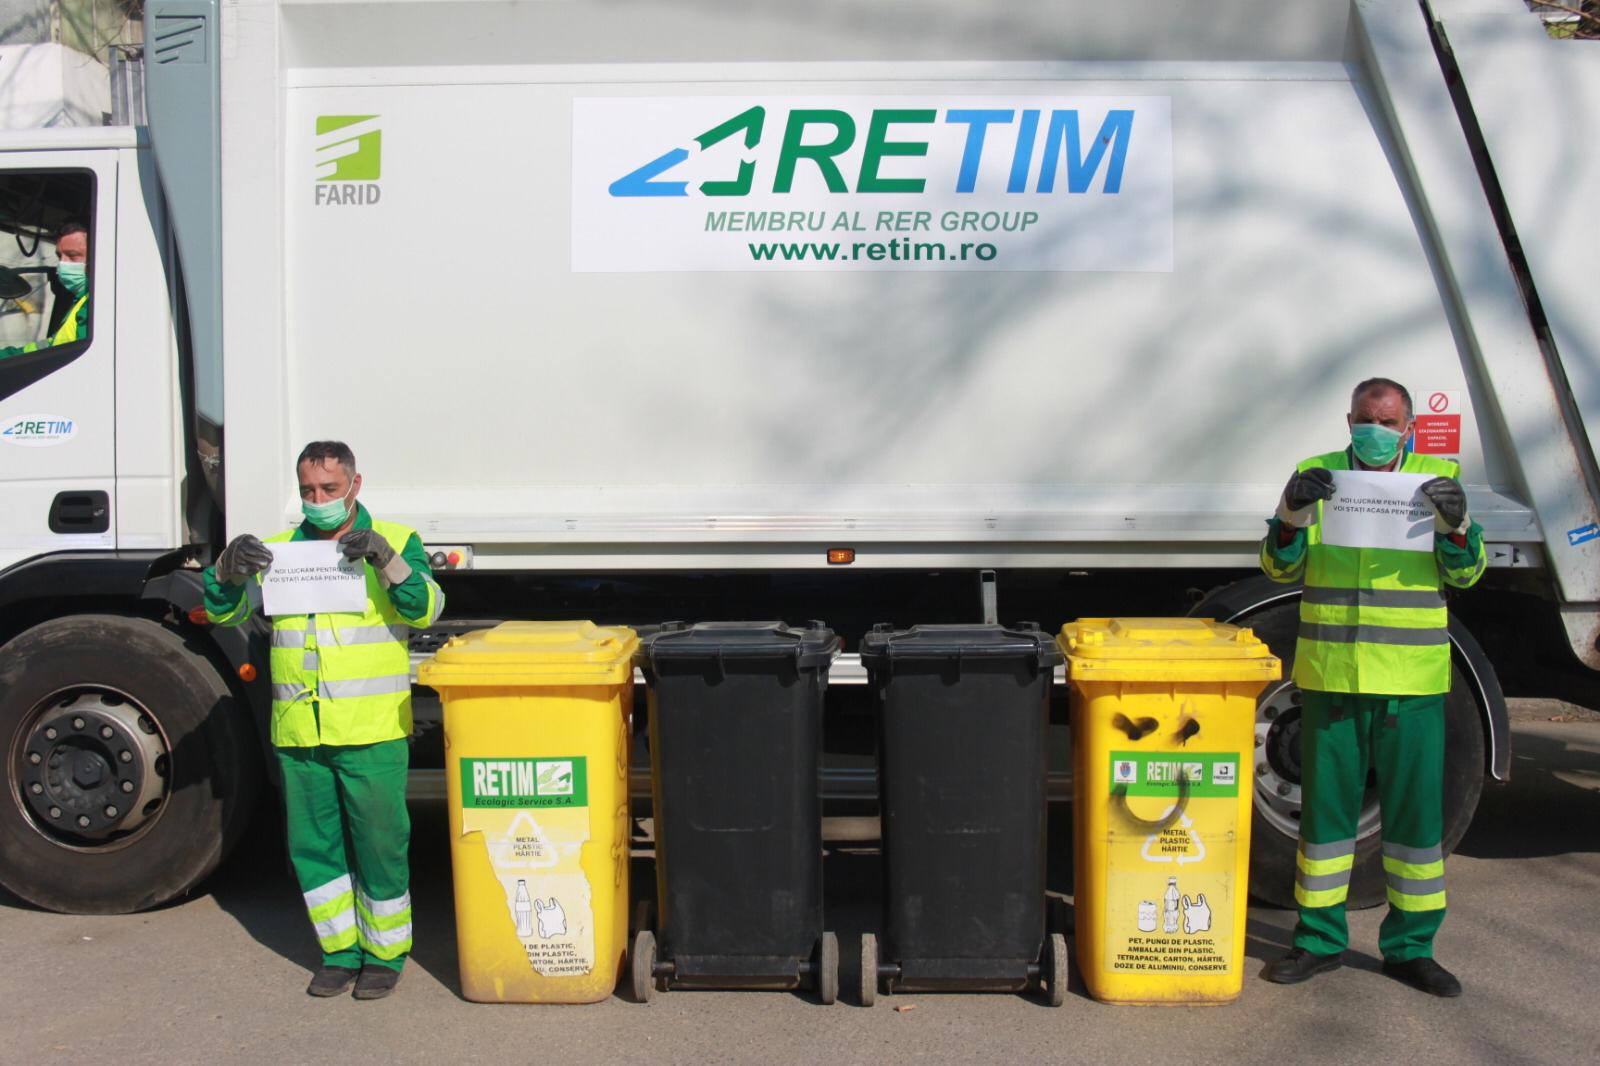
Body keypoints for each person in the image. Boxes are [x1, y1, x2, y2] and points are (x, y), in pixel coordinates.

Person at [1258, 377, 1486, 998]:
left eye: (1387, 422)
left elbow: (1467, 575)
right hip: (1333, 677)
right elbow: (1278, 566)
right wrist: (1290, 515)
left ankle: (1412, 949)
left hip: (1409, 682)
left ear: (1409, 428)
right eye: (1365, 418)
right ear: (1348, 420)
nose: (1375, 431)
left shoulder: (1439, 477)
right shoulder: (1317, 474)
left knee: (1415, 823)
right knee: (1326, 821)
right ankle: (1318, 941)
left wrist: (1458, 527)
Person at [204, 441, 443, 1000]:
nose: (318, 500)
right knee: (314, 850)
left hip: (371, 729)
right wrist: (225, 570)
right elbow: (224, 611)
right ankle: (339, 952)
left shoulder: (396, 539)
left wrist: (385, 558)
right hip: (299, 730)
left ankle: (384, 955)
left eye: (329, 489)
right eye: (308, 490)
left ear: (355, 485)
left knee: (380, 845)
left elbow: (426, 609)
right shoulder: (279, 551)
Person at [0, 222, 90, 360]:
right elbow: (50, 347)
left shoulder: (95, 306)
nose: (62, 264)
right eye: (59, 256)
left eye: (72, 255)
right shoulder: (82, 301)